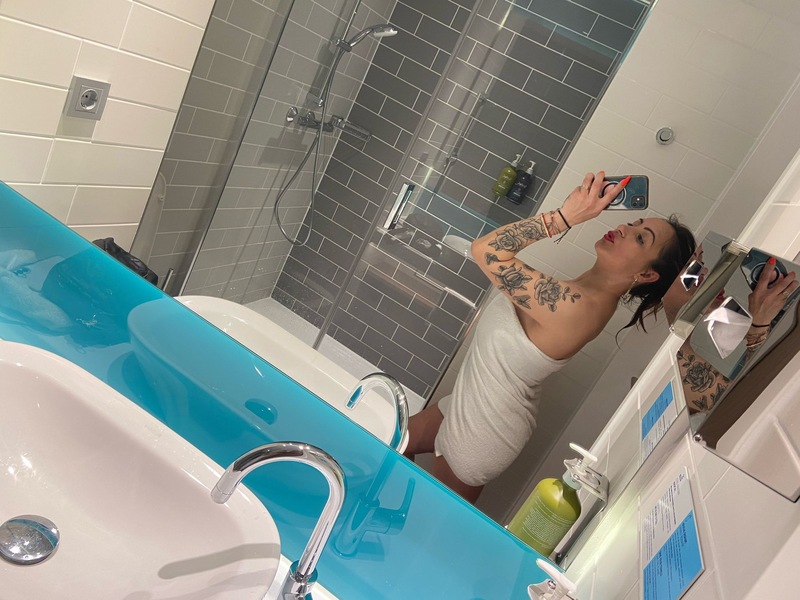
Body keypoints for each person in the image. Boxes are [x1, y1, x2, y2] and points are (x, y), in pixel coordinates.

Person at [404, 171, 697, 503]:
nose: (625, 228)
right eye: (634, 223)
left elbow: (485, 250)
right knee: (394, 440)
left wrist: (564, 218)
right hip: (467, 402)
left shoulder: (581, 307)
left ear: (646, 274)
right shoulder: (584, 289)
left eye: (641, 238)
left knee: (424, 518)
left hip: (483, 433)